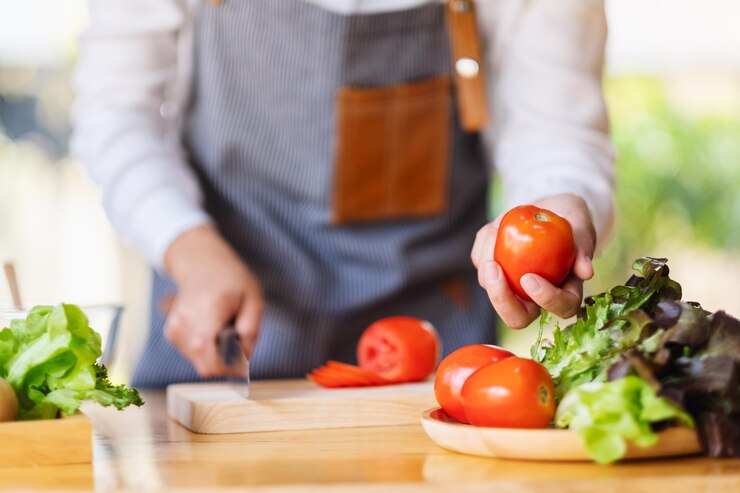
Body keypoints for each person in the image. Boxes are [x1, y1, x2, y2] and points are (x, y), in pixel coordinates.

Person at [72, 0, 614, 387]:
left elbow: (557, 130)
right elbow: (116, 115)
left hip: (431, 355)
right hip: (221, 331)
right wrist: (187, 247)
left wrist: (555, 210)